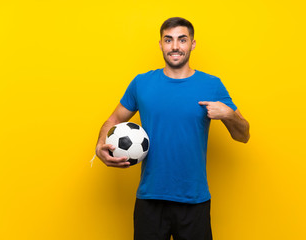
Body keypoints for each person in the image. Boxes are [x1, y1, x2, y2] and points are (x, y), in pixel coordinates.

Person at [95, 17, 250, 240]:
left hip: (194, 201)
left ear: (192, 44)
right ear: (160, 44)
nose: (175, 46)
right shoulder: (141, 83)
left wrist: (229, 114)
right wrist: (100, 144)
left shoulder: (211, 85)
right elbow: (112, 120)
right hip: (150, 199)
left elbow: (243, 135)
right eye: (168, 40)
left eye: (182, 39)